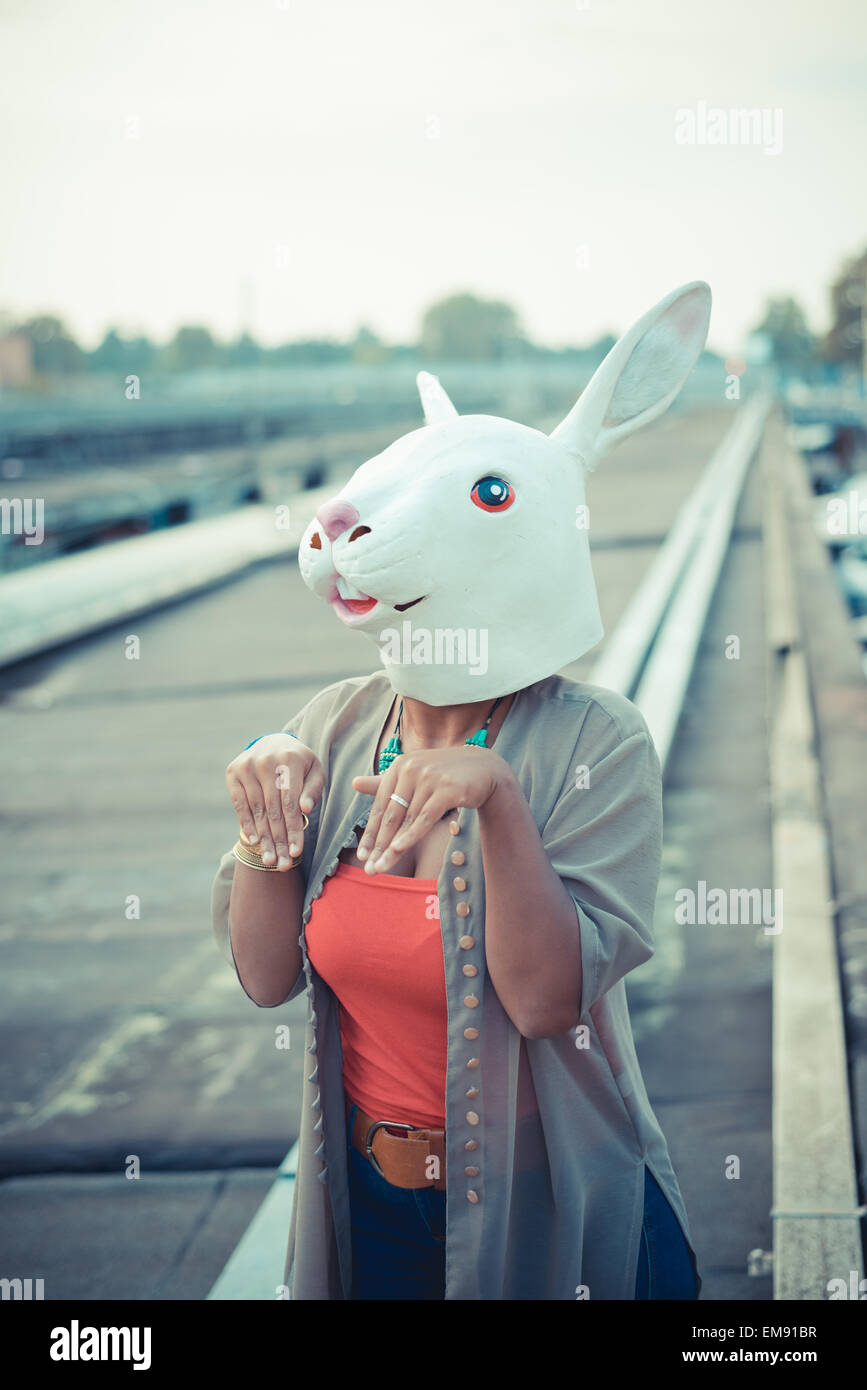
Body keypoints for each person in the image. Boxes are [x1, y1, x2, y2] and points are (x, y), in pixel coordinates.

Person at [211, 281, 711, 1300]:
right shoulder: (338, 723)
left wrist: (499, 802)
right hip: (366, 1204)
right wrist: (264, 834)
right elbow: (267, 978)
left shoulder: (594, 742)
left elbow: (544, 999)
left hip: (541, 1200)